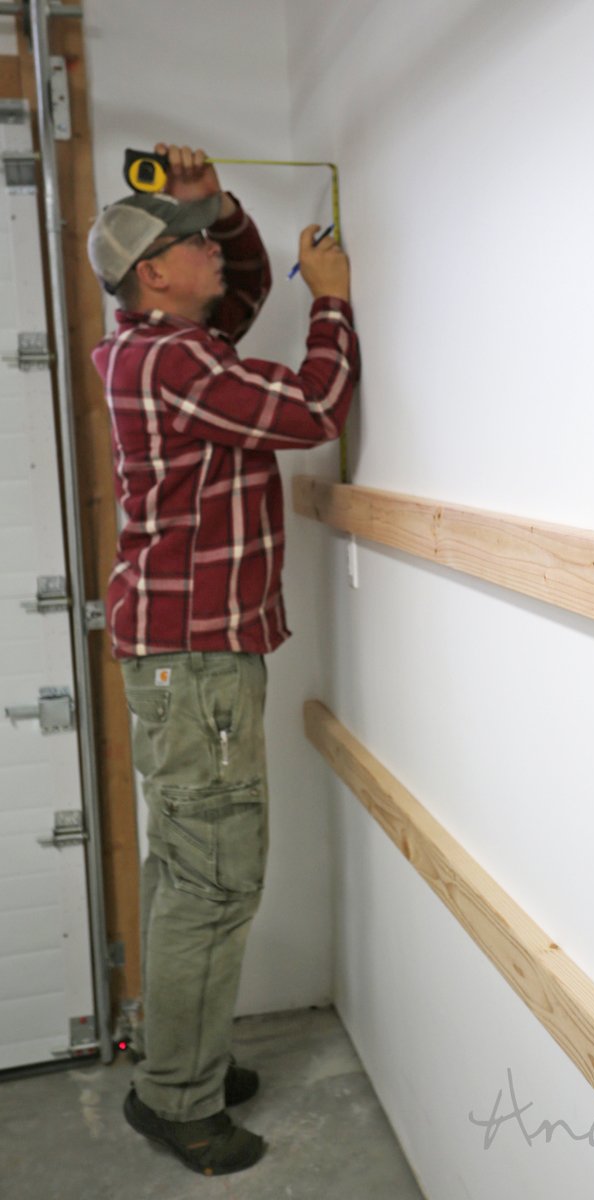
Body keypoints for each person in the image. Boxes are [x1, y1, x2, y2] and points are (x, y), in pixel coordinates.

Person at [87, 143, 360, 1176]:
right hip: (194, 661)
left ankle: (176, 1057)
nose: (213, 251)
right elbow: (312, 410)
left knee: (181, 870)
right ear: (154, 272)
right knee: (213, 882)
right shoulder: (179, 363)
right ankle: (178, 1099)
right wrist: (330, 304)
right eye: (193, 241)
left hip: (176, 656)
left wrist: (216, 202)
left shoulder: (155, 348)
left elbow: (242, 286)